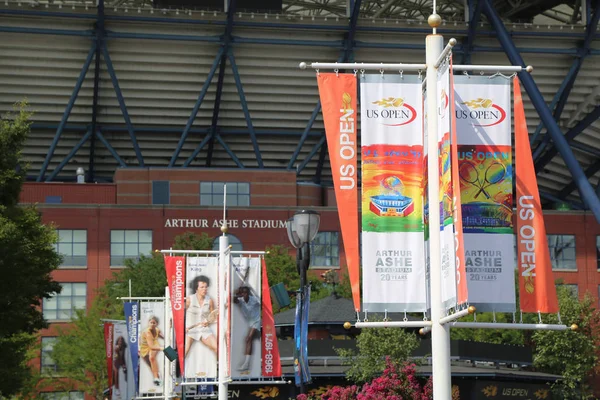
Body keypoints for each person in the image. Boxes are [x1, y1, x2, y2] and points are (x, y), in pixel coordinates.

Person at [185, 275, 218, 359]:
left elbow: (213, 316)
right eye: (202, 287)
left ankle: (218, 368)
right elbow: (181, 315)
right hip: (189, 329)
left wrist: (208, 322)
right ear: (196, 289)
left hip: (203, 329)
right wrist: (183, 328)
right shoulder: (189, 300)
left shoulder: (210, 300)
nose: (205, 289)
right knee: (184, 352)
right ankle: (174, 370)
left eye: (206, 287)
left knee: (217, 348)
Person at [233, 285, 261, 371]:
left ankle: (246, 364)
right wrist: (236, 293)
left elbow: (264, 303)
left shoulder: (255, 299)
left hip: (257, 321)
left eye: (245, 293)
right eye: (242, 293)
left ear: (248, 293)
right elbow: (233, 300)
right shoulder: (240, 300)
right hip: (249, 323)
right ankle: (246, 363)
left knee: (248, 339)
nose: (244, 294)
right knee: (250, 340)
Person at [140, 315, 164, 387]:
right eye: (151, 322)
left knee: (152, 358)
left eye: (154, 323)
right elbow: (151, 346)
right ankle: (157, 376)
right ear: (148, 323)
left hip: (154, 344)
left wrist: (166, 338)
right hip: (145, 348)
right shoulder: (147, 332)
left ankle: (156, 378)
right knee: (150, 364)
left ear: (157, 324)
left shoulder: (157, 330)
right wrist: (161, 348)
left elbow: (160, 335)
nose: (152, 324)